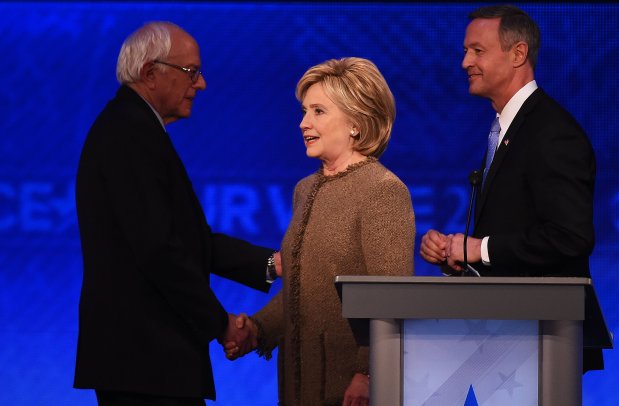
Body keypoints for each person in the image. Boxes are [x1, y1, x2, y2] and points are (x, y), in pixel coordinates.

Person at [74, 21, 280, 405]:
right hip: (144, 361)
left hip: (147, 361)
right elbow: (158, 250)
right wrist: (221, 325)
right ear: (150, 73)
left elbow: (187, 239)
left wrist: (271, 262)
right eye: (192, 72)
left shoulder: (134, 128)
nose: (200, 85)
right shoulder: (128, 134)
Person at [419, 5, 601, 370]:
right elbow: (514, 230)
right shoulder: (508, 128)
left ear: (518, 53)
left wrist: (479, 248)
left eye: (477, 50)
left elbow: (570, 237)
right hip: (507, 336)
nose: (464, 62)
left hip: (545, 336)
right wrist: (458, 255)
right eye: (465, 51)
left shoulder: (551, 132)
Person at [226, 57, 415, 405]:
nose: (303, 123)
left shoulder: (382, 190)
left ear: (356, 122)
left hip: (349, 389)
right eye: (304, 111)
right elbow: (305, 290)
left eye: (318, 111)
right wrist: (257, 329)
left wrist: (368, 372)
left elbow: (392, 299)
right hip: (298, 385)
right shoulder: (304, 188)